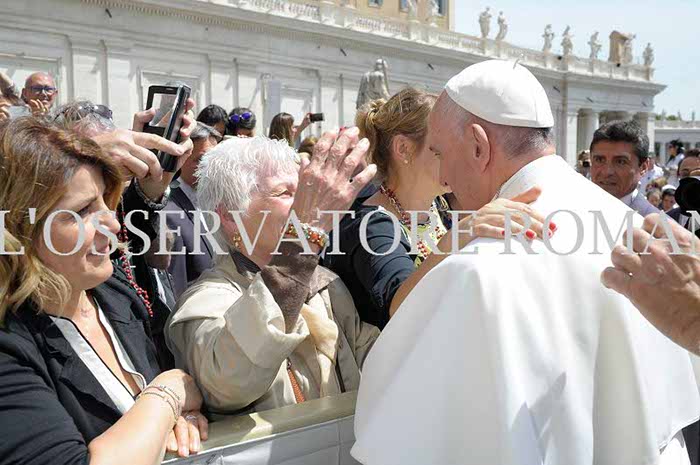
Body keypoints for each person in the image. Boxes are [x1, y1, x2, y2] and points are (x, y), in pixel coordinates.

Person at [352, 59, 699, 465]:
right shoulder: (633, 224)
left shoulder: (475, 271)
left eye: (442, 153)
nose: (444, 177)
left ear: (479, 146)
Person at [0, 117, 207, 464]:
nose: (111, 221)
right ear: (20, 230)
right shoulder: (9, 345)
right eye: (82, 211)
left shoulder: (114, 292)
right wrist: (170, 391)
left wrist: (176, 419)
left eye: (104, 201)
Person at [167, 131, 381, 415]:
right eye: (286, 193)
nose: (304, 204)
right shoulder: (206, 301)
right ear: (230, 216)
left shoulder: (326, 285)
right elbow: (229, 381)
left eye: (304, 191)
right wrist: (305, 235)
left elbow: (383, 364)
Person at [324, 88, 548, 329]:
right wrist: (460, 235)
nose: (458, 159)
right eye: (440, 150)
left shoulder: (438, 208)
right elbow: (398, 306)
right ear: (403, 149)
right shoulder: (371, 225)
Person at [165, 122, 222, 298]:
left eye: (214, 159)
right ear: (181, 159)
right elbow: (176, 285)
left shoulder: (221, 201)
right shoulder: (169, 211)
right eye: (201, 160)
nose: (210, 167)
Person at [590, 120, 659, 216]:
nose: (607, 172)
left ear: (643, 167)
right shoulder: (572, 210)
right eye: (599, 160)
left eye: (620, 162)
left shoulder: (659, 223)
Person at [667, 149, 700, 229]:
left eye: (697, 174)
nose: (691, 179)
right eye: (685, 174)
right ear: (678, 176)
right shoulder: (667, 218)